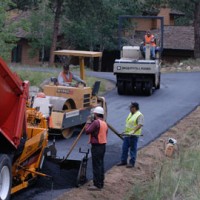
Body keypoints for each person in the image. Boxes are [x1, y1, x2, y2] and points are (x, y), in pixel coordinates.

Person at [85, 106, 108, 191]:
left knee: (96, 165)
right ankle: (101, 183)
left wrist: (88, 122)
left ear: (95, 114)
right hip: (103, 146)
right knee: (100, 164)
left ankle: (97, 185)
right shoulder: (104, 123)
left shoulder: (96, 122)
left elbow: (87, 131)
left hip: (97, 147)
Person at [117, 102, 144, 168]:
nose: (129, 109)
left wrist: (133, 131)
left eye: (130, 107)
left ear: (134, 108)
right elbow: (129, 124)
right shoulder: (130, 114)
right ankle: (123, 161)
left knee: (132, 149)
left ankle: (132, 163)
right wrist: (125, 132)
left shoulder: (139, 115)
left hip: (134, 136)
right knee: (124, 148)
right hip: (127, 135)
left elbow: (140, 124)